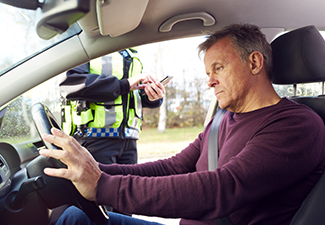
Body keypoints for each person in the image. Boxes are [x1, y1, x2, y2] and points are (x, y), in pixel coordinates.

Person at [40, 24, 325, 225]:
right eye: (208, 72)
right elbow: (172, 167)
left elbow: (222, 189)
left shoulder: (298, 125)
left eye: (219, 68)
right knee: (76, 218)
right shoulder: (222, 120)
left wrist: (103, 186)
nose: (210, 80)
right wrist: (95, 169)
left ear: (254, 62)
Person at [59, 48, 165, 165]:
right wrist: (124, 85)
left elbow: (131, 94)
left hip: (129, 141)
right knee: (100, 183)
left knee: (129, 183)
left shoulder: (131, 51)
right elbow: (70, 83)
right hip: (95, 140)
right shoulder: (87, 48)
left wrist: (150, 97)